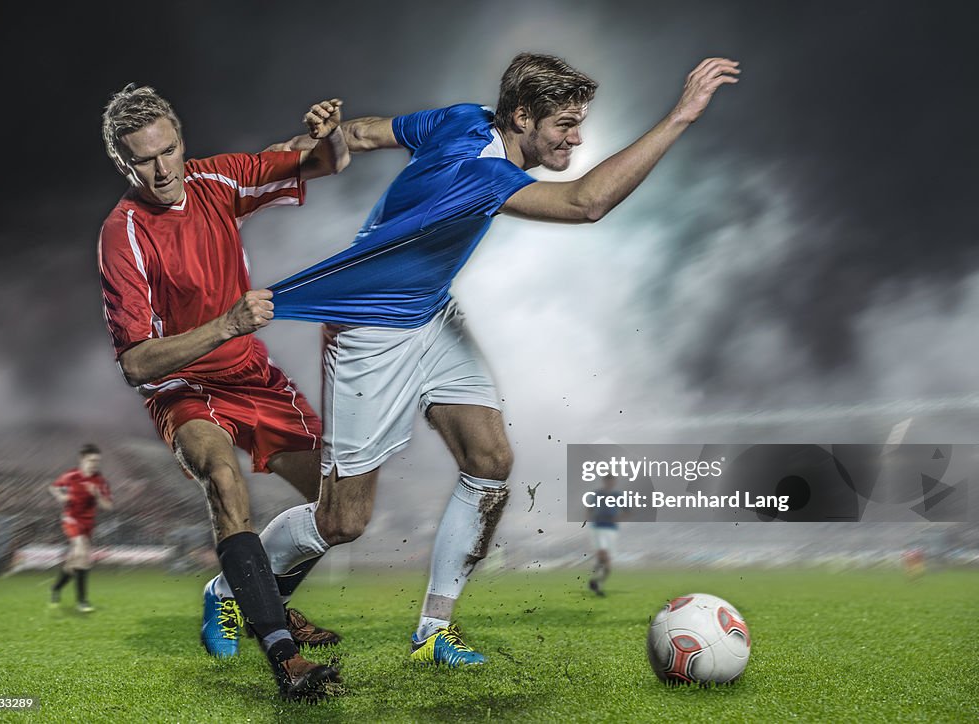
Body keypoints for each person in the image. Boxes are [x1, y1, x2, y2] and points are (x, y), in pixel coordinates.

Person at [259, 52, 739, 669]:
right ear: (521, 116)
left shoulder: (462, 118)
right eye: (565, 124)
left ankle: (434, 631)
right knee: (344, 520)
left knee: (490, 461)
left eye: (579, 121)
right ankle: (236, 587)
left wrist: (320, 134)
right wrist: (680, 116)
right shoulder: (482, 177)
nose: (577, 136)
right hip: (372, 329)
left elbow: (362, 132)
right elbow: (586, 203)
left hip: (429, 313)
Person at [98, 85, 350, 701]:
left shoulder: (217, 181)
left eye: (169, 150)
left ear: (181, 139)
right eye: (144, 161)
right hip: (182, 384)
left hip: (251, 376)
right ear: (123, 165)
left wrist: (332, 130)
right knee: (224, 478)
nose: (162, 170)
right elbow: (135, 363)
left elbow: (328, 161)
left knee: (342, 509)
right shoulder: (122, 234)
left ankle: (233, 593)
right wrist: (228, 324)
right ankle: (285, 659)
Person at [49, 443, 113, 612]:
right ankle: (82, 601)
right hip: (71, 520)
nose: (95, 464)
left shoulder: (100, 482)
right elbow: (54, 487)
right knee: (83, 554)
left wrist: (98, 495)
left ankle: (56, 588)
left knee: (74, 561)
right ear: (82, 460)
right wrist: (62, 496)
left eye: (97, 461)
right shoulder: (71, 475)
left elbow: (108, 506)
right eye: (92, 460)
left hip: (88, 525)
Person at [586, 475, 620, 597]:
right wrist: (591, 519)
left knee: (607, 564)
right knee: (603, 555)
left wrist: (618, 518)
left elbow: (627, 510)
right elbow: (589, 508)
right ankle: (596, 582)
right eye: (608, 481)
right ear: (605, 482)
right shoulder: (598, 494)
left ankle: (596, 582)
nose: (610, 483)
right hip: (599, 528)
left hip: (611, 529)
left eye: (612, 481)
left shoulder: (617, 495)